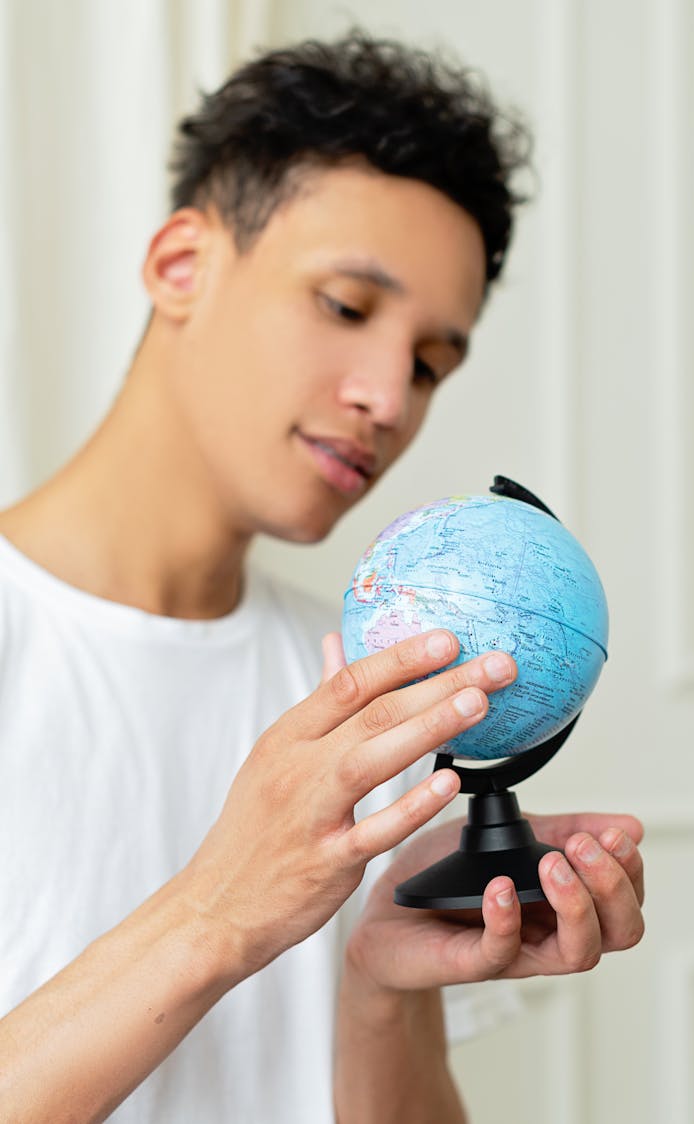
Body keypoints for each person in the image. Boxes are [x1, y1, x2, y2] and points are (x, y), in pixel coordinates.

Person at [0, 31, 645, 1124]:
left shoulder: (372, 691)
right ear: (181, 265)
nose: (390, 396)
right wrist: (217, 909)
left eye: (432, 361)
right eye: (348, 305)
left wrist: (377, 992)